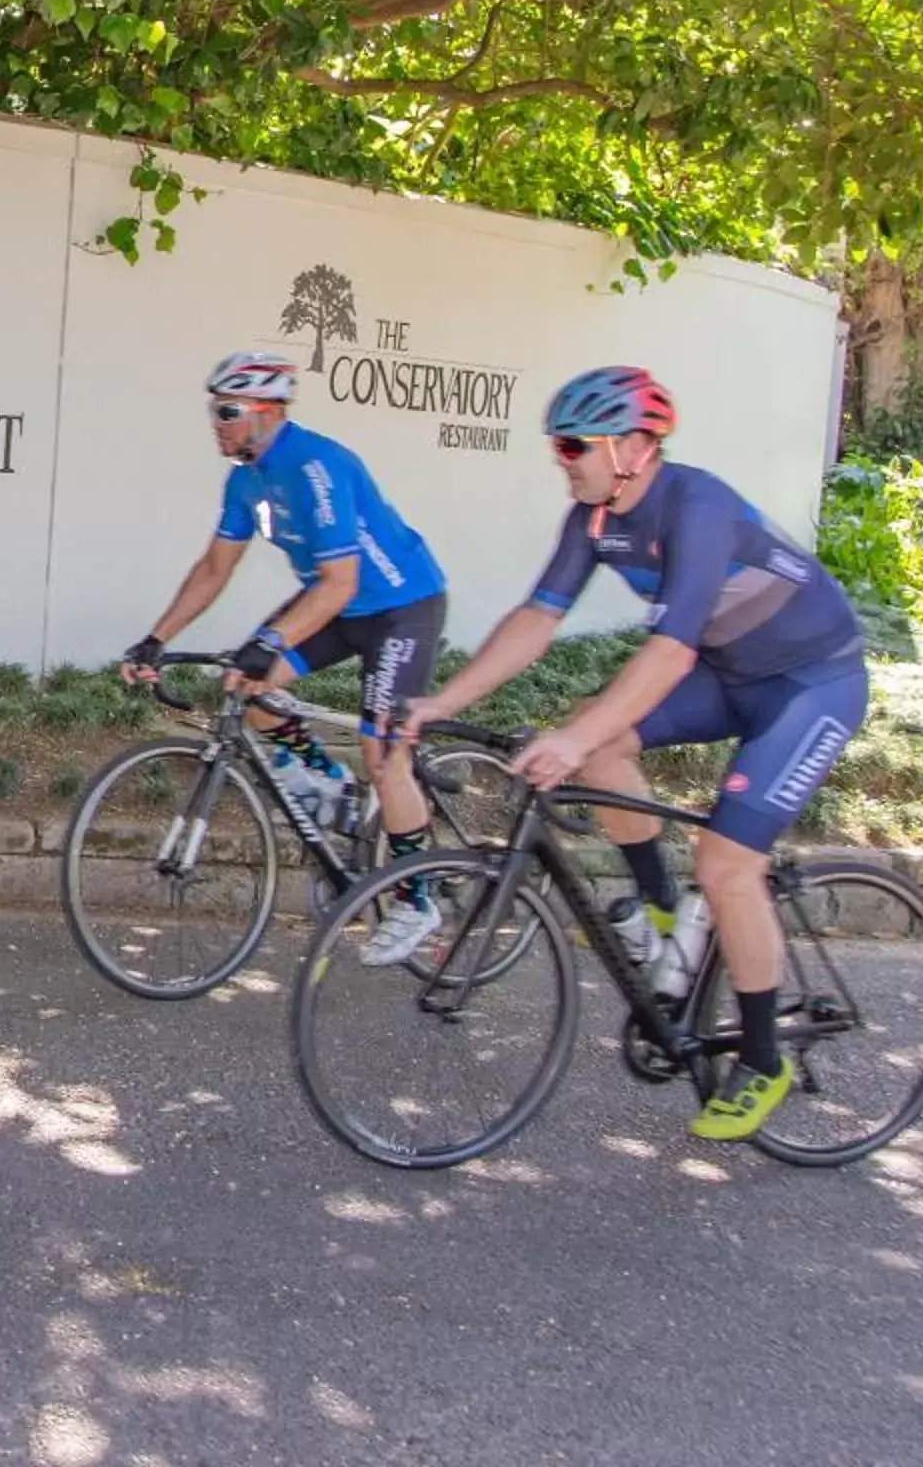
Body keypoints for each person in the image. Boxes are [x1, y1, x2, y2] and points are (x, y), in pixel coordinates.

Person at [400, 365, 869, 1141]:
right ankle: (660, 917)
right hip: (732, 673)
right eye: (557, 445)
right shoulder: (592, 519)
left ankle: (761, 1058)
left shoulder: (697, 506)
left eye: (574, 444)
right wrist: (445, 701)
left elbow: (670, 652)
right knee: (599, 742)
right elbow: (536, 618)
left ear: (633, 446)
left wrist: (573, 737)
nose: (562, 459)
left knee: (725, 864)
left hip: (810, 684)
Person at [120, 352, 451, 967]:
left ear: (267, 412)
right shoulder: (245, 480)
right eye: (213, 410)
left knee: (385, 754)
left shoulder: (317, 466)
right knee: (247, 686)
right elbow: (215, 567)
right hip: (336, 602)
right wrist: (156, 638)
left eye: (227, 411)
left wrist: (271, 641)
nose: (215, 423)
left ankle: (415, 897)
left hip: (399, 606)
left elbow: (341, 582)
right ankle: (332, 788)